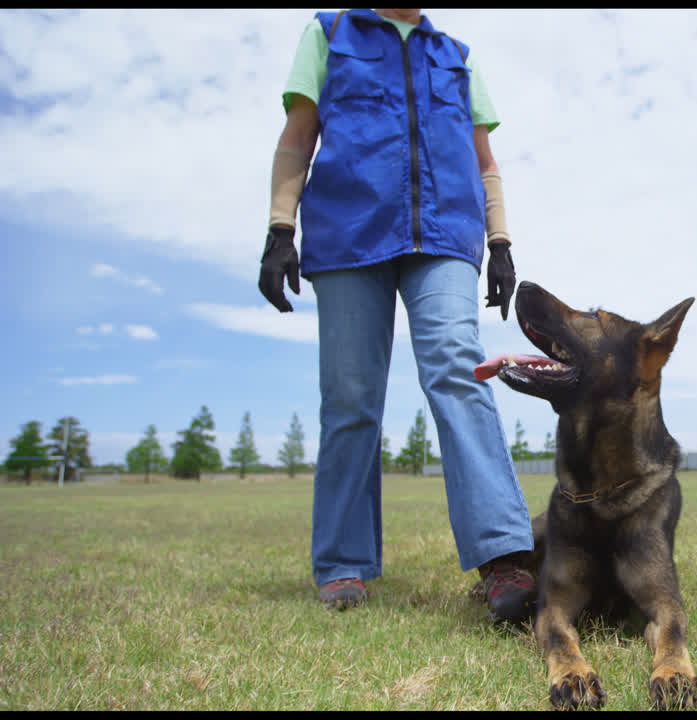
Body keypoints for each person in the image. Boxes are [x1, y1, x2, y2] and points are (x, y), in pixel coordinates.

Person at [258, 7, 536, 623]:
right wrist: (281, 229)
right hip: (349, 236)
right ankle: (342, 561)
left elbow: (484, 161)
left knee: (460, 371)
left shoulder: (456, 55)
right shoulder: (329, 34)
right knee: (352, 395)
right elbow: (298, 139)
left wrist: (500, 242)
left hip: (445, 237)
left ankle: (505, 557)